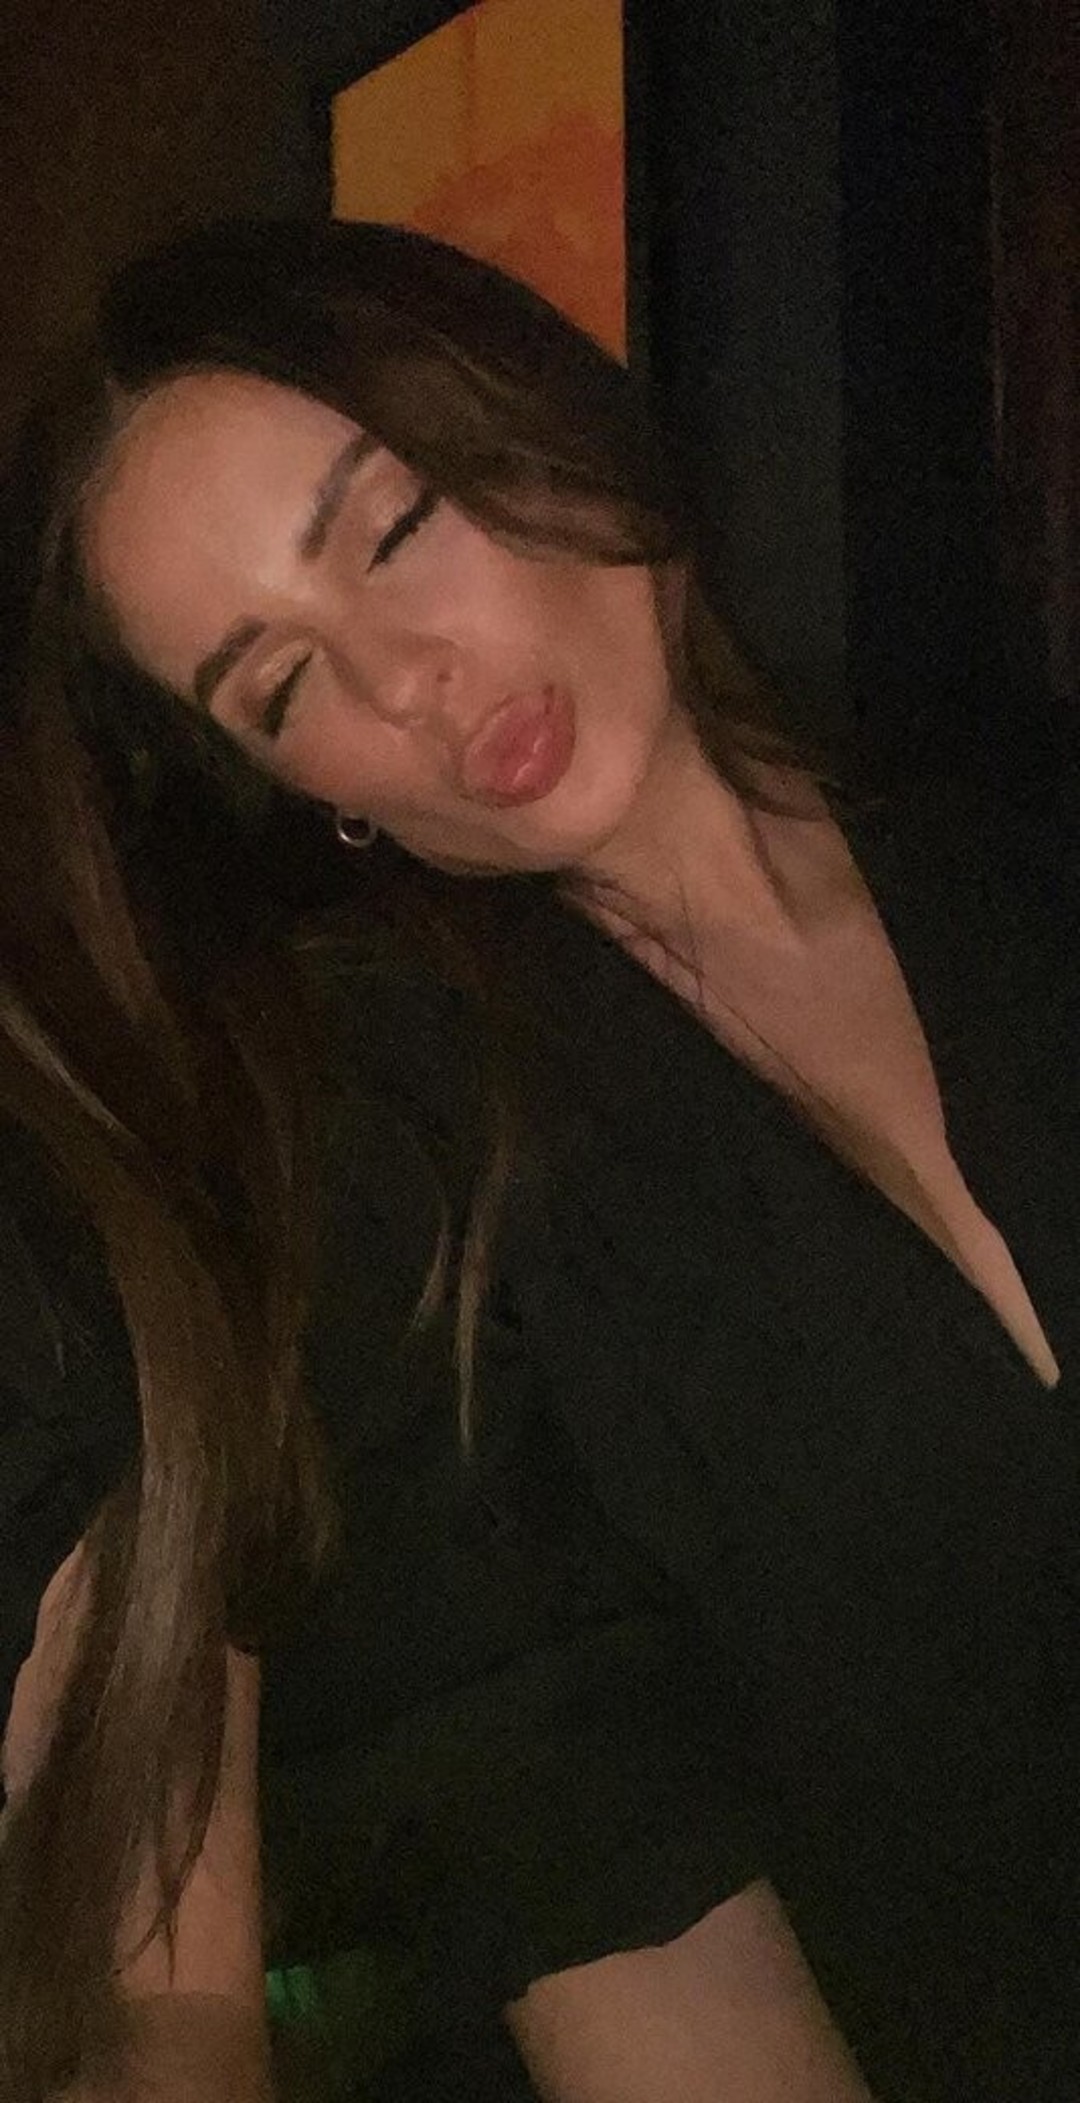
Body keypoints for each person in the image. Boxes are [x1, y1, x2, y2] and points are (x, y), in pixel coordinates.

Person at [0, 216, 1077, 2103]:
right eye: (280, 689)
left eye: (395, 528)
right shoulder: (408, 1189)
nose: (404, 685)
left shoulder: (1021, 836)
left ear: (537, 408)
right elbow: (604, 1875)